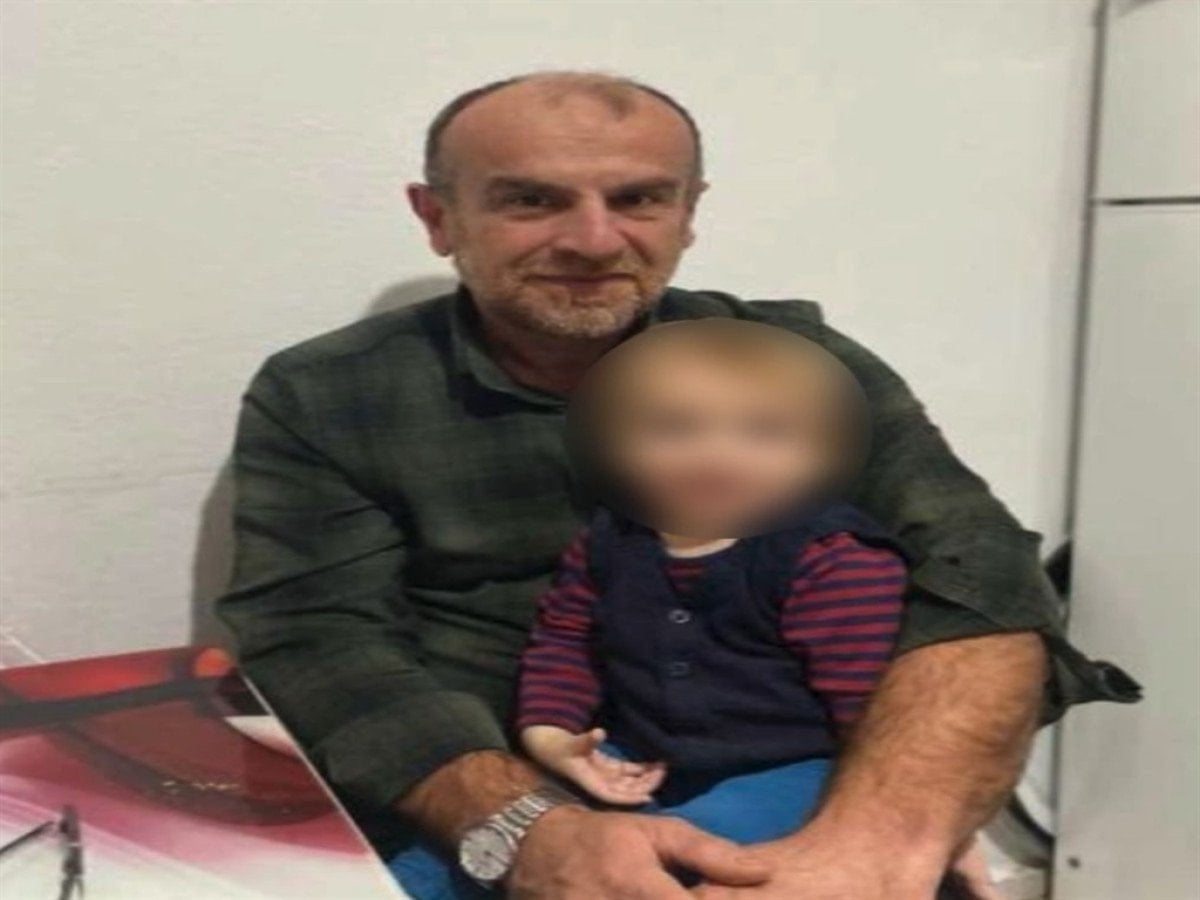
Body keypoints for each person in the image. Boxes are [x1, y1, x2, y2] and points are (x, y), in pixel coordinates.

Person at [218, 71, 1137, 899]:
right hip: (487, 786)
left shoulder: (795, 362)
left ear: (689, 214)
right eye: (531, 199)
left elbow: (978, 574)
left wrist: (884, 836)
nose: (593, 239)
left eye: (640, 198)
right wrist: (524, 831)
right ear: (438, 218)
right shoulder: (330, 392)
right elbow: (318, 641)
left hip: (795, 784)